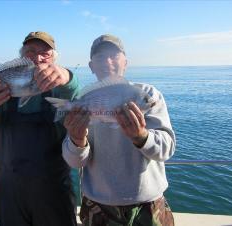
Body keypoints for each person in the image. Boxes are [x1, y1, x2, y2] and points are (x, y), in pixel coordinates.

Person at [0, 31, 79, 226]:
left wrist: (68, 76)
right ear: (21, 56)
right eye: (31, 51)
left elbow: (74, 93)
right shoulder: (4, 87)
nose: (37, 57)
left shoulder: (61, 86)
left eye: (46, 53)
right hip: (9, 188)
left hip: (53, 188)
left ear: (55, 59)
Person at [62, 34, 176, 226]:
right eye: (100, 57)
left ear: (126, 62)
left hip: (148, 207)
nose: (107, 61)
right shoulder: (85, 103)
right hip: (98, 208)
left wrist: (142, 136)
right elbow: (74, 162)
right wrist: (77, 139)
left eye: (114, 55)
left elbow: (167, 149)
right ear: (91, 66)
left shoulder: (148, 95)